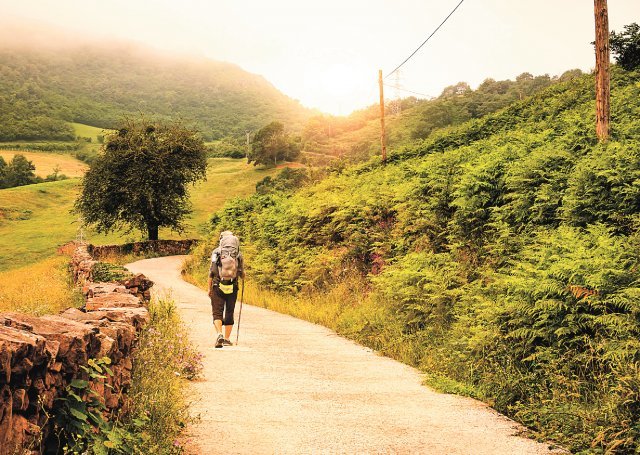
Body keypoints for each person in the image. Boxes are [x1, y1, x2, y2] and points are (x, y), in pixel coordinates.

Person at [208, 231, 245, 348]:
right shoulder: (238, 254)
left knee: (217, 312)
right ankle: (227, 339)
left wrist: (209, 289)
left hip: (217, 285)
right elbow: (242, 273)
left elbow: (212, 272)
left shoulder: (216, 252)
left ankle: (219, 334)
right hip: (232, 286)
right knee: (229, 311)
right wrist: (243, 275)